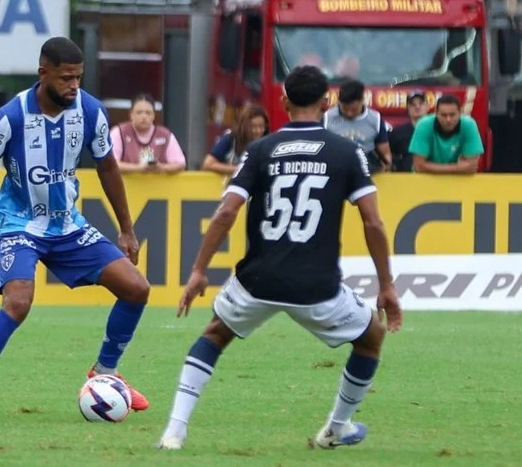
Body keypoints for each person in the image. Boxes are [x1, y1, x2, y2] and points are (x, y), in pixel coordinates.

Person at [157, 65, 402, 451]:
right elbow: (373, 221)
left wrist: (199, 271)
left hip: (257, 280)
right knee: (370, 337)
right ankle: (337, 427)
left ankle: (174, 431)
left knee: (215, 334)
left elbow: (225, 213)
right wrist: (386, 286)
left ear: (284, 101)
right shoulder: (347, 152)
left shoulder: (259, 150)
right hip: (316, 287)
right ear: (327, 102)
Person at [0, 37, 151, 424]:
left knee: (136, 288)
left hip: (67, 224)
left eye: (79, 78)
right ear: (44, 74)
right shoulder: (11, 116)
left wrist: (126, 229)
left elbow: (107, 167)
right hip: (19, 223)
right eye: (67, 78)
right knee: (18, 302)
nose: (74, 86)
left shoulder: (90, 110)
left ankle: (105, 372)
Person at [323, 80, 392, 173]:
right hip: (335, 170)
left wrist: (386, 167)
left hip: (367, 172)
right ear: (339, 102)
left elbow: (385, 154)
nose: (349, 113)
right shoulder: (327, 118)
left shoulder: (375, 119)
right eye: (345, 109)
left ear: (362, 100)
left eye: (354, 109)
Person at [109, 93, 186, 174]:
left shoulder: (165, 134)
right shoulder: (119, 132)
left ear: (154, 115)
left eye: (148, 113)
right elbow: (110, 164)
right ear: (131, 114)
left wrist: (161, 168)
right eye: (139, 112)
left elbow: (181, 164)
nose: (144, 117)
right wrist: (138, 168)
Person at [409, 95, 484, 174]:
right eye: (443, 115)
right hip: (424, 180)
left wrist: (428, 166)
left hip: (453, 179)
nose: (448, 119)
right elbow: (419, 166)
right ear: (436, 113)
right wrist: (459, 168)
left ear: (460, 112)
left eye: (452, 115)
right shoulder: (423, 124)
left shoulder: (469, 125)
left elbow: (472, 167)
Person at [202, 105, 269, 176]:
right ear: (245, 126)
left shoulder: (267, 142)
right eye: (253, 126)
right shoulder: (231, 138)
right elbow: (208, 164)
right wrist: (240, 170)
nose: (258, 131)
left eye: (261, 126)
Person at [389, 90, 429, 172]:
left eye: (421, 103)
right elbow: (387, 155)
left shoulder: (436, 130)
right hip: (405, 180)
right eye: (412, 104)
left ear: (427, 106)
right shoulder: (397, 133)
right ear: (408, 108)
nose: (417, 107)